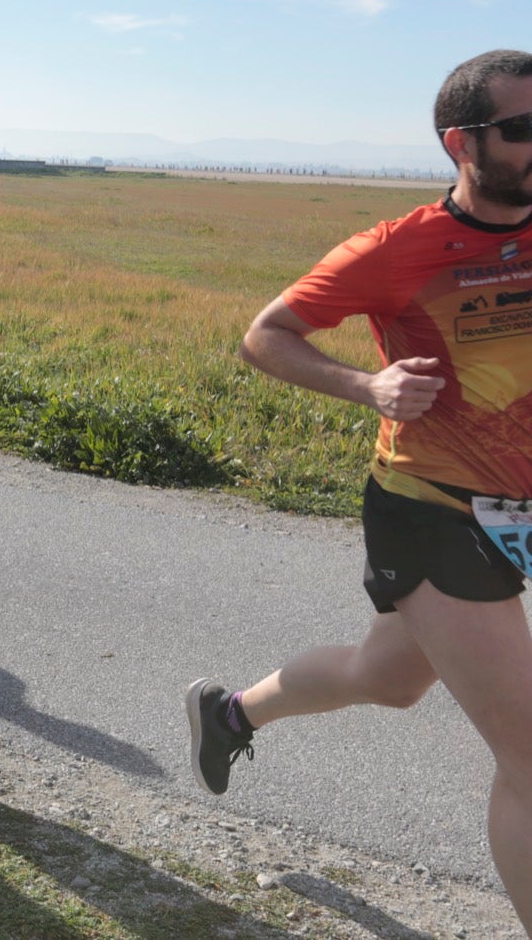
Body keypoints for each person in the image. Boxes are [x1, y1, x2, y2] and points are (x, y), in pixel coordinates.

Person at [186, 49, 532, 932]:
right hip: (434, 509)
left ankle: (230, 714)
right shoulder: (398, 250)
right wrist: (367, 388)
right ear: (462, 142)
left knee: (386, 677)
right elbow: (267, 336)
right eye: (523, 130)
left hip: (519, 504)